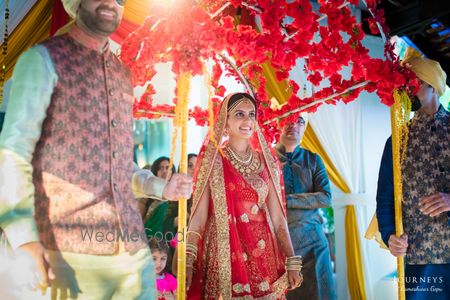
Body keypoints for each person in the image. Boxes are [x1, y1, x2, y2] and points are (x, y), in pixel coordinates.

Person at [0, 0, 192, 298]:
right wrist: (26, 242)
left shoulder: (121, 75)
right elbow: (13, 158)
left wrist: (161, 188)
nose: (110, 3)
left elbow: (117, 165)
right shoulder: (42, 62)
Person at [183, 92, 303, 299]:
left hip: (263, 254)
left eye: (251, 114)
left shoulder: (267, 162)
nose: (247, 120)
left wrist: (292, 260)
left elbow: (278, 219)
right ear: (225, 121)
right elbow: (199, 218)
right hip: (224, 256)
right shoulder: (212, 161)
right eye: (239, 114)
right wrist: (187, 258)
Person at [376, 48, 449, 299]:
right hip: (418, 254)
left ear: (432, 86)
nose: (408, 90)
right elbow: (384, 199)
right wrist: (390, 236)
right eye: (405, 85)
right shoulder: (397, 140)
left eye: (414, 83)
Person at [275, 116, 335, 300]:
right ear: (277, 123)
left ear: (305, 126)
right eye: (287, 119)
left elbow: (325, 198)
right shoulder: (266, 159)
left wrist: (286, 201)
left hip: (313, 243)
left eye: (299, 121)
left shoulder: (313, 159)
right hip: (278, 243)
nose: (293, 125)